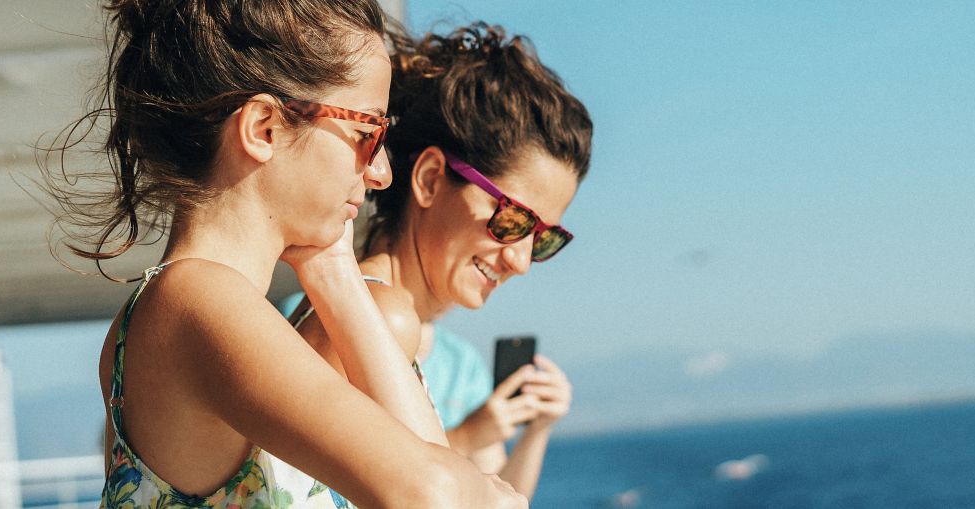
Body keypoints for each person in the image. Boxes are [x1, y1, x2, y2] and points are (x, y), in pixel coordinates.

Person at [42, 1, 524, 507]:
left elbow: (431, 473)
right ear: (263, 129)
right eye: (367, 134)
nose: (381, 171)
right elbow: (433, 495)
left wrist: (335, 273)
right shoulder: (196, 300)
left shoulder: (190, 305)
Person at [292, 22, 588, 499]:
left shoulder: (411, 333)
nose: (521, 261)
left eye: (543, 238)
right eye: (512, 220)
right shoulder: (367, 318)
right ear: (429, 179)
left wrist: (536, 430)